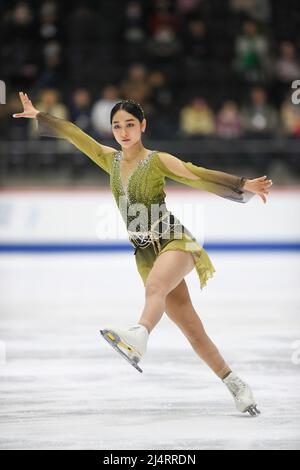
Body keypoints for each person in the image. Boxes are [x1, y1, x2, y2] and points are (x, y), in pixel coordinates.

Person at [13, 92, 272, 416]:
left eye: (130, 124)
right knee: (193, 330)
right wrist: (40, 116)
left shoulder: (157, 160)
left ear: (143, 125)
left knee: (155, 289)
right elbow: (78, 137)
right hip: (145, 253)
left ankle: (138, 336)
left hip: (174, 240)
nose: (123, 131)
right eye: (117, 125)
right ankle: (236, 385)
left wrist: (243, 184)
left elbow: (197, 174)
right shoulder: (109, 159)